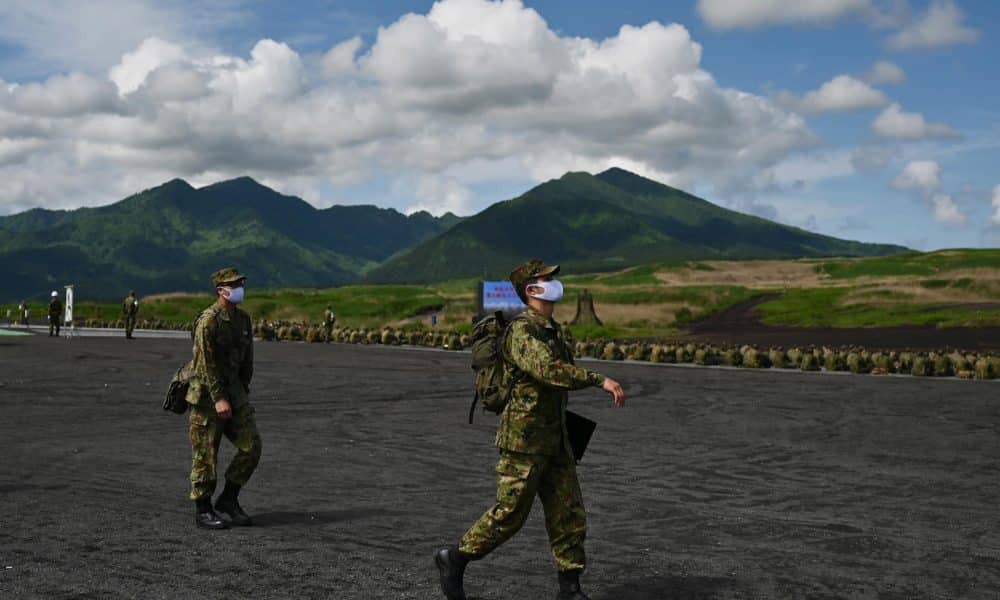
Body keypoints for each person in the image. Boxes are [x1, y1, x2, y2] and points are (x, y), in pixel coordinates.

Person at [435, 259, 626, 600]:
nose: (554, 282)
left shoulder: (551, 328)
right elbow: (549, 370)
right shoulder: (523, 331)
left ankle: (570, 588)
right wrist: (599, 379)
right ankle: (455, 558)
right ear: (531, 289)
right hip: (524, 440)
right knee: (510, 513)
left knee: (568, 512)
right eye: (546, 278)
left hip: (556, 438)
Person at [184, 267, 262, 530]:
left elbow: (247, 360)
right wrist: (218, 397)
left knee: (251, 446)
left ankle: (229, 499)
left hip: (235, 392)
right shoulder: (208, 321)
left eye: (241, 282)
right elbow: (205, 364)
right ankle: (203, 509)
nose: (240, 287)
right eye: (234, 284)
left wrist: (242, 391)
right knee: (206, 453)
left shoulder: (243, 320)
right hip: (208, 396)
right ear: (221, 290)